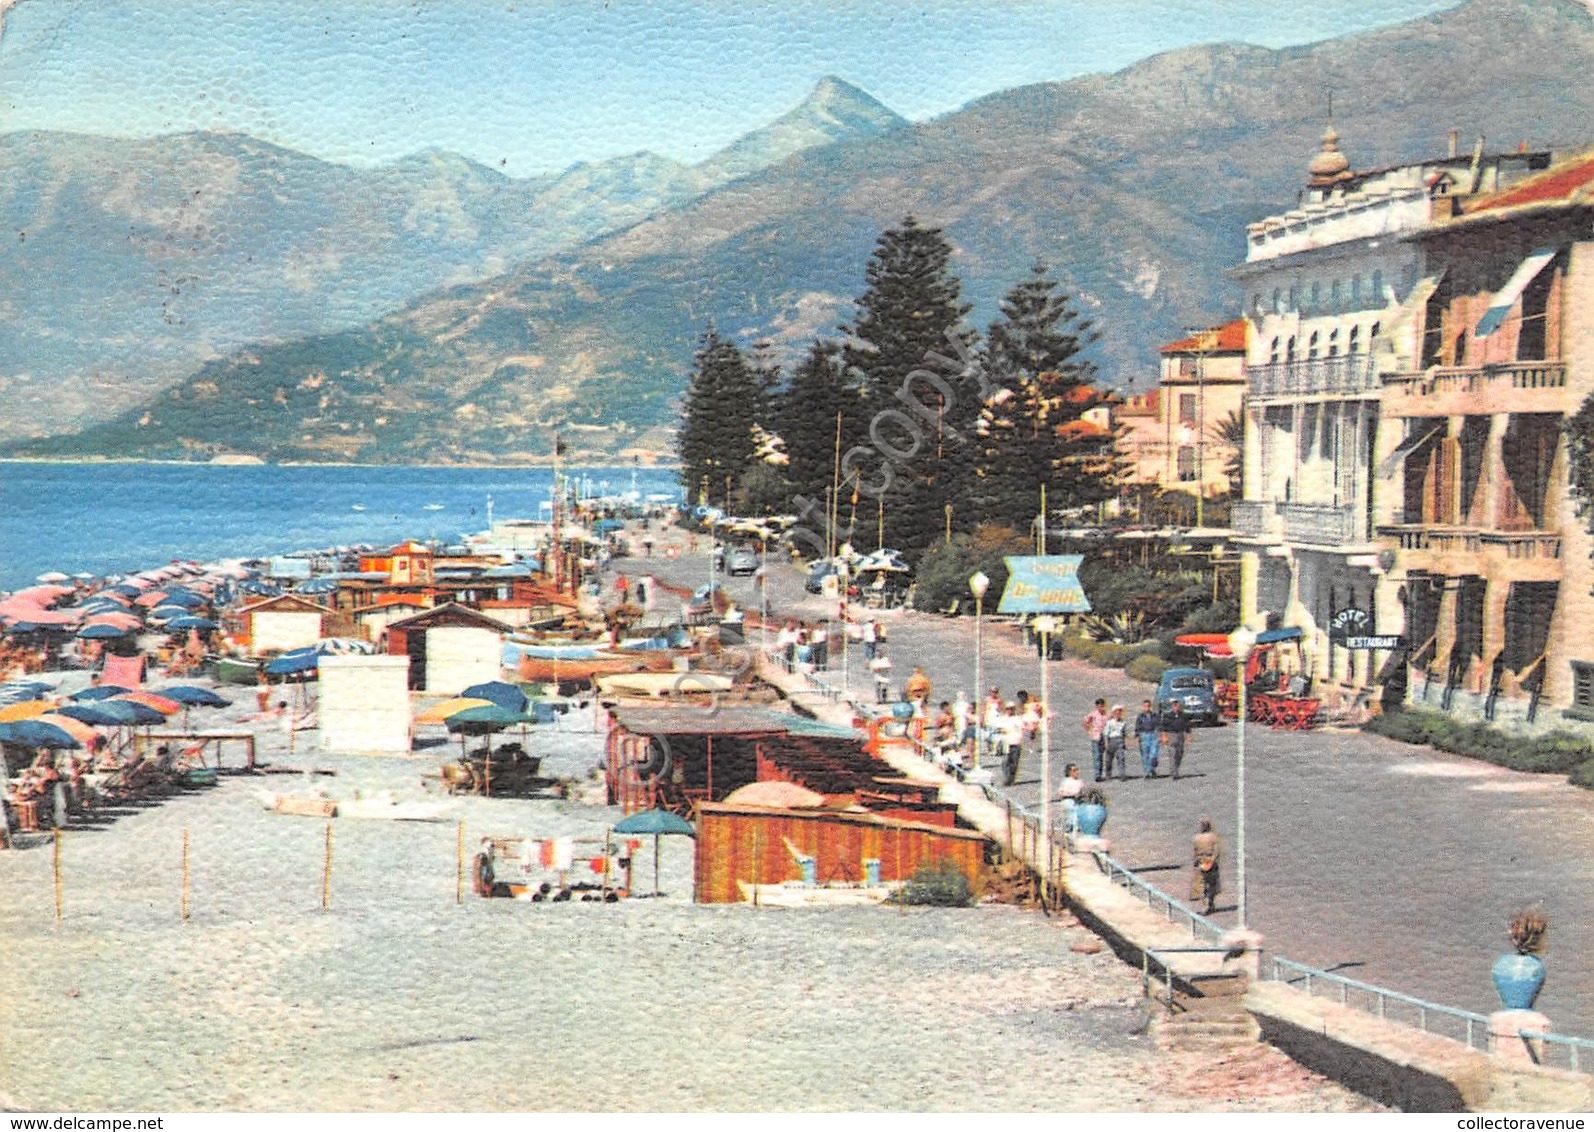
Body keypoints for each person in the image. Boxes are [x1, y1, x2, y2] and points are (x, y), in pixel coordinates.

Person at [1192, 817, 1223, 915]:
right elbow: (1217, 851)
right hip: (1210, 862)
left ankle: (1205, 905)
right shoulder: (1213, 837)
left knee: (1202, 884)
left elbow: (1195, 852)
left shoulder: (1196, 838)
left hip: (1201, 861)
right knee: (1212, 884)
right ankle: (1210, 904)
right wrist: (1212, 860)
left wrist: (1196, 861)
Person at [1160, 699, 1192, 780]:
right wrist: (1164, 736)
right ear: (1172, 707)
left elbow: (1187, 726)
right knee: (1172, 754)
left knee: (1179, 753)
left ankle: (1175, 768)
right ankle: (1174, 772)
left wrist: (1188, 736)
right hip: (1171, 735)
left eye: (1177, 705)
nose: (1176, 707)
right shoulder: (1168, 716)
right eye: (1174, 706)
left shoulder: (1183, 716)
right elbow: (1163, 727)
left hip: (1180, 735)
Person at [1082, 698, 1110, 782]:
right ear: (1096, 706)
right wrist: (1090, 730)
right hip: (1095, 736)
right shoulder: (1093, 714)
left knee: (1101, 756)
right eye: (1099, 706)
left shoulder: (1106, 715)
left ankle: (1100, 774)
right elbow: (1085, 722)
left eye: (1102, 706)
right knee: (1097, 756)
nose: (1100, 708)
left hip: (1103, 736)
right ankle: (1097, 775)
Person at [998, 702, 1025, 786]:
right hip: (1007, 743)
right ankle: (1006, 779)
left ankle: (1011, 779)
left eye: (1011, 709)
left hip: (1016, 742)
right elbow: (1000, 729)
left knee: (1014, 763)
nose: (1010, 710)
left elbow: (1022, 728)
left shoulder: (1018, 719)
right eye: (1008, 709)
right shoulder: (1003, 719)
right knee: (1005, 762)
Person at [1053, 762, 1084, 834]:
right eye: (1074, 770)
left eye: (1077, 770)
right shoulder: (1066, 782)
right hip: (1069, 801)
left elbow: (1082, 792)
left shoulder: (1079, 782)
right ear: (1069, 772)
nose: (1077, 772)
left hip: (1078, 802)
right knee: (1071, 817)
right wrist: (1072, 795)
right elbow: (1061, 793)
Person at [1134, 699, 1161, 778]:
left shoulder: (1155, 715)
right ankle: (1147, 772)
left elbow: (1159, 725)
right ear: (1143, 707)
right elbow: (1137, 727)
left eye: (1148, 706)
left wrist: (1160, 735)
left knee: (1153, 754)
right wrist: (1137, 737)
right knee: (1145, 755)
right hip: (1144, 735)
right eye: (1145, 706)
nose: (1147, 708)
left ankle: (1152, 767)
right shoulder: (1140, 716)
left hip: (1153, 735)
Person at [1103, 704, 1128, 781]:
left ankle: (1122, 775)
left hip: (1120, 741)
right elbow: (1106, 733)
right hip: (1111, 740)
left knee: (1121, 758)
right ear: (1114, 713)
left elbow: (1124, 734)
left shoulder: (1123, 723)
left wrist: (1125, 743)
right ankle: (1108, 774)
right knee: (1109, 759)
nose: (1118, 714)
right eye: (1116, 712)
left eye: (1119, 712)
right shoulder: (1110, 722)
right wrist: (1106, 743)